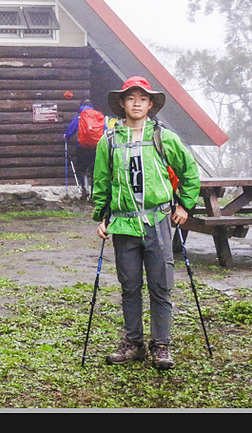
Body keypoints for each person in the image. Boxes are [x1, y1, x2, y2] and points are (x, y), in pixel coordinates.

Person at [92, 76, 200, 370]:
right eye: (131, 98)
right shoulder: (109, 141)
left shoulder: (164, 137)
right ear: (122, 103)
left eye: (142, 98)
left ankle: (161, 345)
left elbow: (189, 172)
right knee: (129, 286)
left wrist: (184, 205)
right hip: (123, 225)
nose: (136, 103)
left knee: (160, 285)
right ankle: (134, 344)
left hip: (158, 220)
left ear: (151, 104)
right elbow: (102, 182)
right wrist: (102, 217)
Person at [63, 99, 99, 196]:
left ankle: (84, 188)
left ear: (81, 105)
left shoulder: (80, 116)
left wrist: (66, 136)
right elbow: (105, 129)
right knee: (94, 171)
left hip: (82, 147)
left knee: (80, 169)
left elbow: (72, 128)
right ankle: (94, 193)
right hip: (96, 148)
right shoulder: (97, 116)